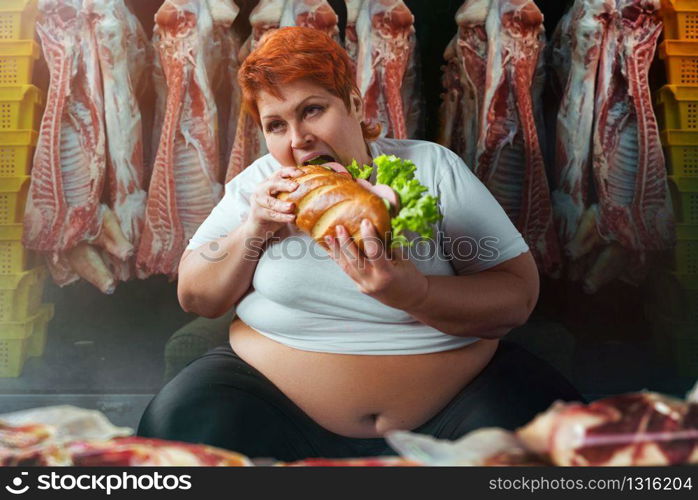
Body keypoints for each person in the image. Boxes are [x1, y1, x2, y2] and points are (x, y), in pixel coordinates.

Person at [137, 26, 582, 461]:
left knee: (561, 440)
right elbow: (196, 296)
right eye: (276, 125)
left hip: (458, 405)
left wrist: (415, 293)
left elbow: (517, 297)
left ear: (352, 102)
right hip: (267, 402)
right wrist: (254, 229)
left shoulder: (431, 166)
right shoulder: (258, 185)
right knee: (175, 426)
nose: (298, 139)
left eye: (312, 110)